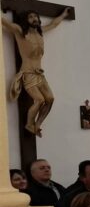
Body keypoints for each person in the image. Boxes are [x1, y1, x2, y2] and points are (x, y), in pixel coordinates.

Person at [2, 7, 70, 136]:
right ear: (25, 20)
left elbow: (54, 24)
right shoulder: (20, 31)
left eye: (35, 16)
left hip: (40, 74)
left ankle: (37, 124)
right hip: (28, 73)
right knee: (39, 100)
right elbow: (5, 23)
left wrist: (63, 15)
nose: (34, 19)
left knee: (50, 99)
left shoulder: (40, 32)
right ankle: (29, 124)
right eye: (30, 17)